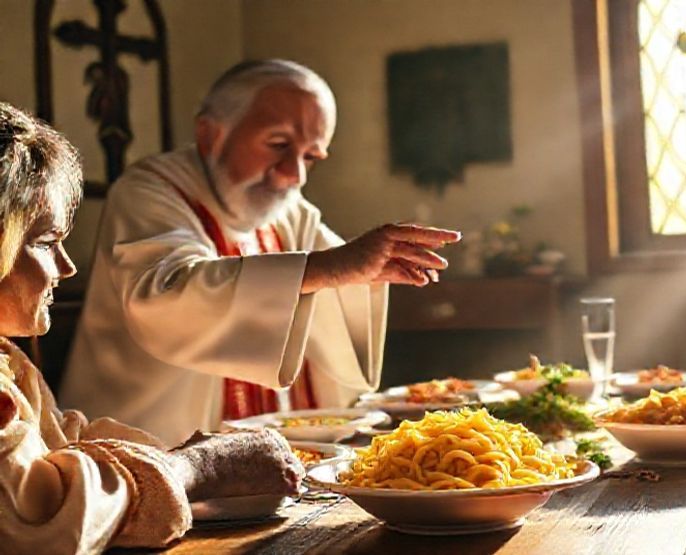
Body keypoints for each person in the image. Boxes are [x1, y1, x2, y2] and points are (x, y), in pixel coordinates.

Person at [60, 59, 460, 445]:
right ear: (210, 134)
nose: (294, 175)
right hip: (147, 454)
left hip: (263, 455)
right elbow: (165, 297)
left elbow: (342, 276)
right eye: (278, 144)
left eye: (310, 157)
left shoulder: (289, 211)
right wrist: (327, 269)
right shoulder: (149, 193)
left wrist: (365, 272)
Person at [0, 102, 302, 552]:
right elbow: (41, 516)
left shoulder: (9, 359)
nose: (66, 268)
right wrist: (195, 468)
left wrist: (184, 456)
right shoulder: (153, 190)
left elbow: (58, 438)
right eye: (45, 243)